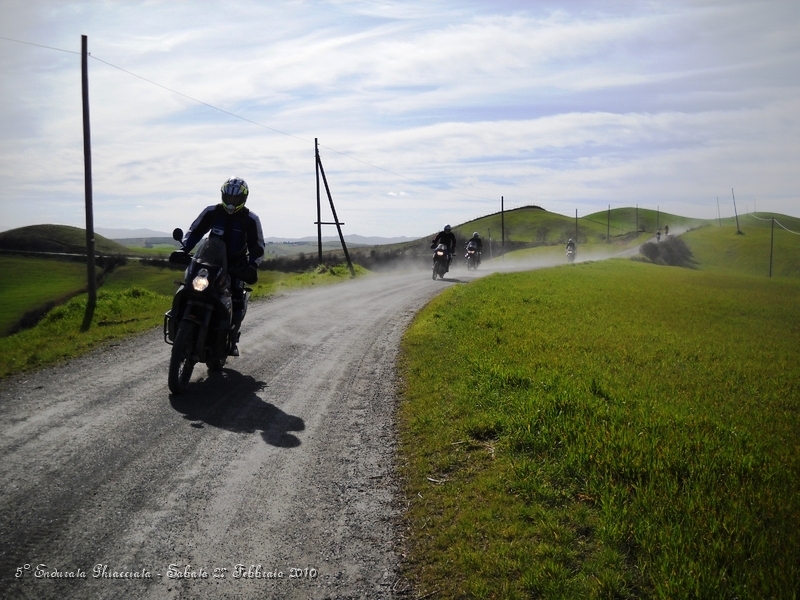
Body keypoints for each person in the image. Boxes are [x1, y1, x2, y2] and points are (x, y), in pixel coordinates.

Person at [181, 176, 265, 356]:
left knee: (236, 300)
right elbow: (195, 232)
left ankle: (231, 338)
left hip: (235, 266)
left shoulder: (250, 219)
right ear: (223, 195)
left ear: (243, 198)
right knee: (189, 287)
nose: (231, 201)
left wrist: (252, 266)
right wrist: (183, 249)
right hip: (209, 261)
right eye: (228, 197)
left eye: (235, 198)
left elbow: (257, 247)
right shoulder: (212, 212)